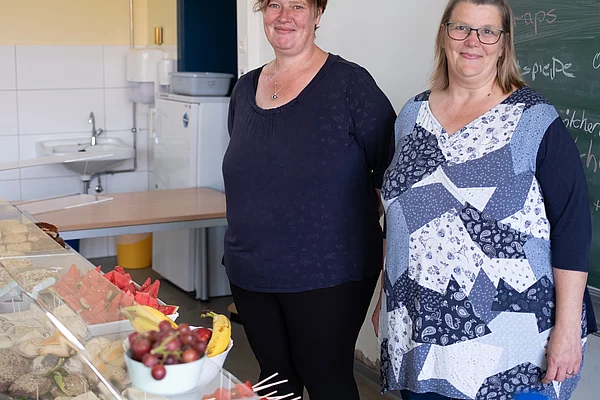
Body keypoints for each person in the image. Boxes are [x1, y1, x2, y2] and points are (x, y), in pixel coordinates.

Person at [373, 0, 597, 399]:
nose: (472, 41)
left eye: (488, 31)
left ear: (503, 42)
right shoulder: (411, 115)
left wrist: (566, 329)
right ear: (444, 34)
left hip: (511, 343)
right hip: (419, 330)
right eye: (461, 27)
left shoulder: (534, 119)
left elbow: (573, 226)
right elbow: (399, 215)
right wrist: (383, 296)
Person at [222, 0, 396, 399]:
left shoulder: (350, 85)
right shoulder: (244, 88)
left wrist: (390, 265)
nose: (284, 16)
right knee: (274, 379)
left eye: (298, 5)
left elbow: (392, 180)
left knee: (326, 379)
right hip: (250, 269)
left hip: (328, 272)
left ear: (318, 14)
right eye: (274, 4)